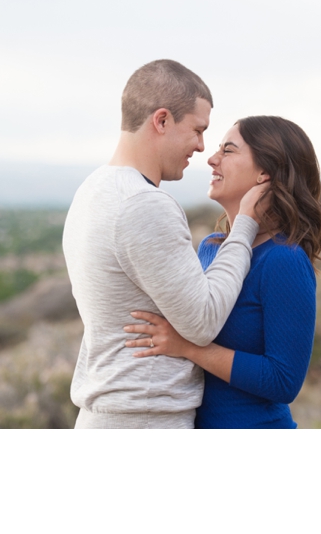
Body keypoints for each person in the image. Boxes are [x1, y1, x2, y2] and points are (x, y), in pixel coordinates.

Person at [62, 59, 267, 429]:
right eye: (197, 130)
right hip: (143, 419)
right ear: (161, 120)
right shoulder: (143, 203)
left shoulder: (91, 191)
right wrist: (245, 226)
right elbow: (203, 322)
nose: (203, 147)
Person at [122, 116, 321, 428]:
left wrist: (189, 348)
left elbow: (284, 381)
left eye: (228, 151)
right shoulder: (210, 247)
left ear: (265, 173)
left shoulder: (284, 260)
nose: (212, 159)